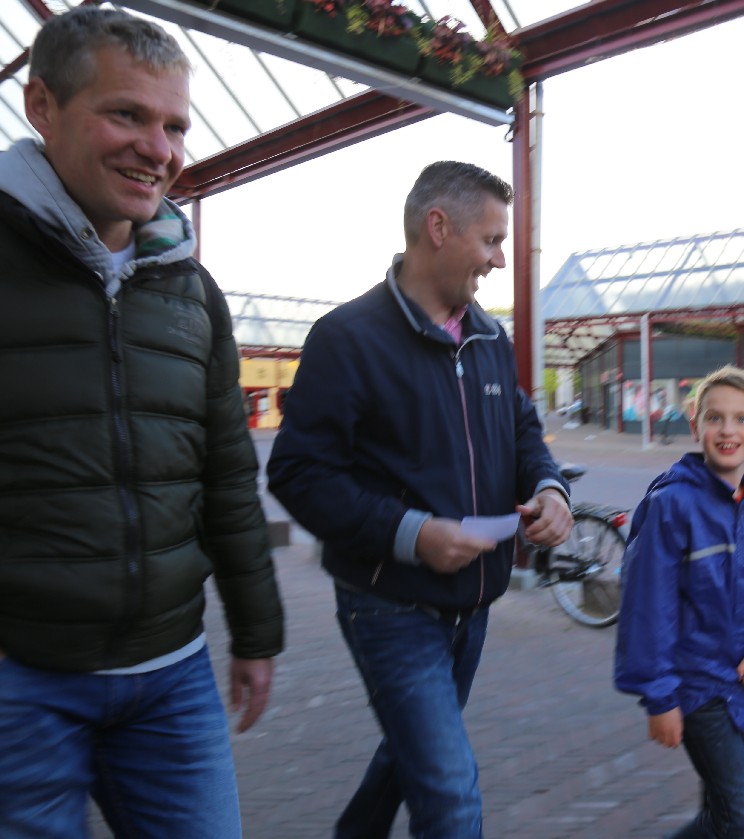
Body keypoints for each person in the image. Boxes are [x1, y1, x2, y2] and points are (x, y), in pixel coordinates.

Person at [0, 7, 285, 838]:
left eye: (175, 126)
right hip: (21, 680)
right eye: (126, 114)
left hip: (172, 674)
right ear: (42, 105)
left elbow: (227, 475)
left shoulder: (192, 291)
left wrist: (257, 631)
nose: (158, 148)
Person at [266, 160, 573, 839]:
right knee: (451, 798)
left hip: (473, 605)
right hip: (389, 606)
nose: (498, 260)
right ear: (438, 227)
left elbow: (524, 432)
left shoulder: (490, 337)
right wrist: (411, 532)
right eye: (490, 240)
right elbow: (297, 473)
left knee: (411, 758)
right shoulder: (347, 338)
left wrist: (548, 487)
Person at [615, 365, 744, 839]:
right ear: (696, 425)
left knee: (720, 809)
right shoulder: (671, 505)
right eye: (715, 418)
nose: (727, 430)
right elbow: (647, 607)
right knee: (741, 816)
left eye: (741, 419)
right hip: (697, 688)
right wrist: (659, 696)